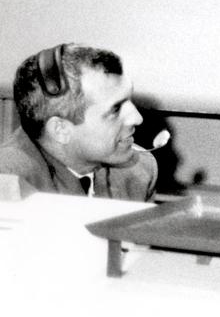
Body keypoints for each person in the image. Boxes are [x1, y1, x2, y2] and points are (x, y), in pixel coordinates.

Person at [0, 44, 157, 201]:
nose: (137, 118)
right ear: (61, 130)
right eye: (115, 109)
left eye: (130, 100)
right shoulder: (8, 184)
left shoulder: (139, 170)